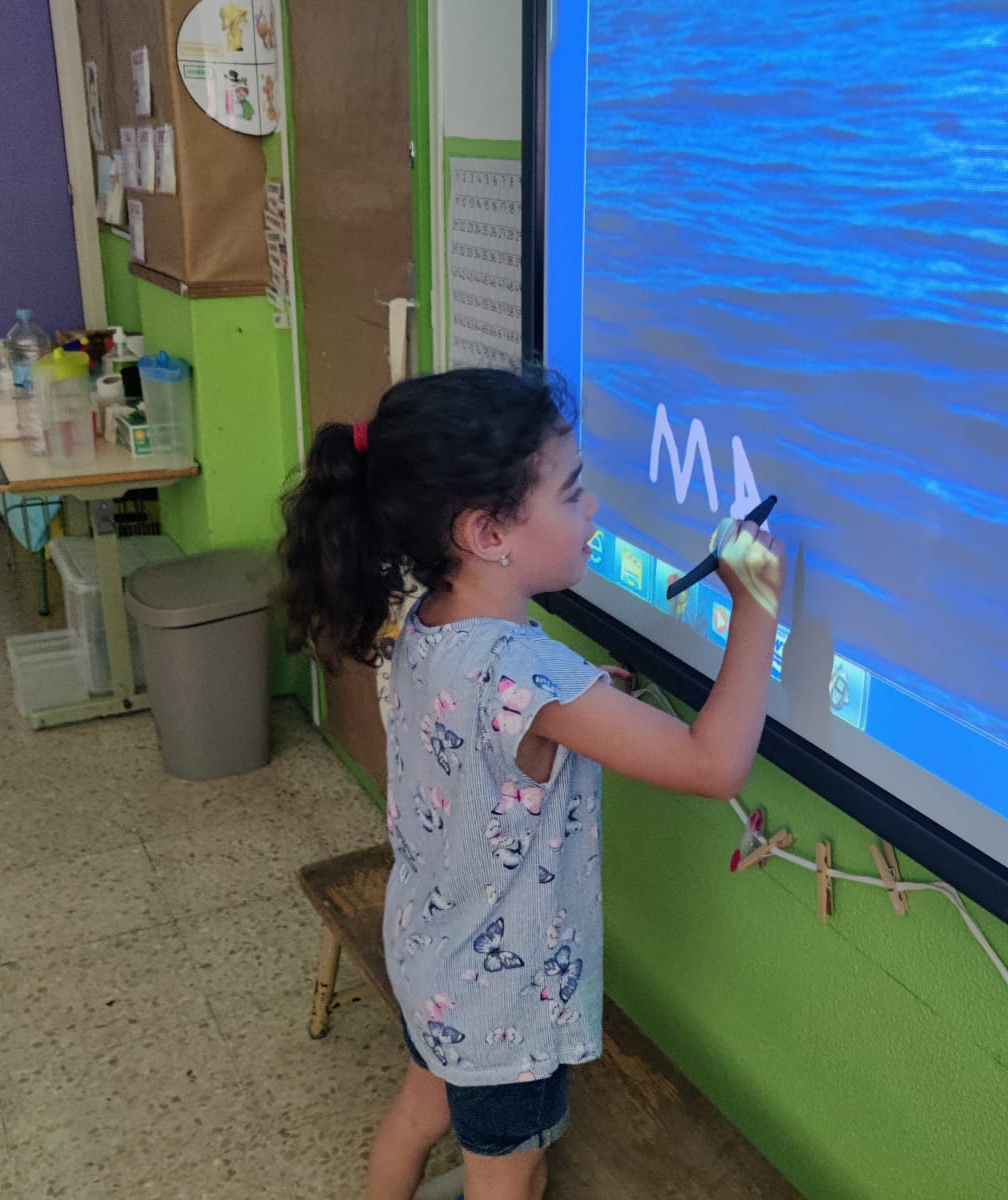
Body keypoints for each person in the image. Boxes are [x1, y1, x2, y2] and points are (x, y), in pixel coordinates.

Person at [277, 367, 785, 1200]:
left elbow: (488, 726)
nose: (593, 510)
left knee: (417, 1113)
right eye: (573, 492)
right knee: (508, 1175)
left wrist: (583, 701)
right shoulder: (530, 678)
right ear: (488, 532)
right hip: (503, 1010)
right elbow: (712, 763)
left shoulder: (425, 618)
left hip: (432, 957)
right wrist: (757, 604)